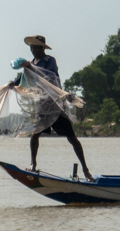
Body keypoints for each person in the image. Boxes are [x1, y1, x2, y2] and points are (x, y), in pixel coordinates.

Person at [9, 34, 93, 180]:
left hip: (55, 105)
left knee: (72, 137)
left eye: (37, 47)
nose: (34, 50)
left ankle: (86, 170)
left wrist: (31, 67)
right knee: (35, 134)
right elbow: (24, 79)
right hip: (43, 105)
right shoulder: (32, 63)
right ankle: (33, 164)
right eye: (32, 47)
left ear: (43, 48)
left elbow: (51, 76)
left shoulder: (49, 60)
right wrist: (13, 83)